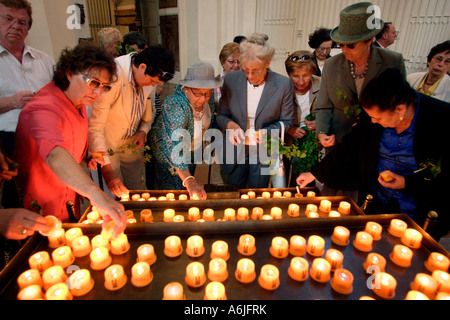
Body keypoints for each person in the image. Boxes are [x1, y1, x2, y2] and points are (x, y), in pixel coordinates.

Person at [297, 68, 450, 240]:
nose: (373, 121)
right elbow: (350, 146)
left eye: (378, 118)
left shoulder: (442, 118)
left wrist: (407, 182)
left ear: (399, 110)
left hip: (422, 210)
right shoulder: (374, 114)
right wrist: (314, 173)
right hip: (380, 202)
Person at [14, 44, 127, 234]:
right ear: (68, 72)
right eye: (93, 82)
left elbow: (69, 141)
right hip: (40, 207)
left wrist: (86, 157)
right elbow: (55, 154)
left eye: (104, 87)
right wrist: (95, 193)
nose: (98, 92)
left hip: (67, 197)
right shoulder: (44, 107)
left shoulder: (77, 101)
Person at [314, 2, 406, 197]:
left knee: (366, 194)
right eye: (341, 45)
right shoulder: (331, 65)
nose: (344, 50)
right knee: (332, 196)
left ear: (369, 40)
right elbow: (323, 106)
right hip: (339, 143)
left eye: (351, 45)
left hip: (375, 142)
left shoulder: (392, 61)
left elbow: (401, 105)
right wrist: (322, 132)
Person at [89, 46, 175, 198]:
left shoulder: (148, 78)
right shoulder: (112, 74)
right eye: (152, 80)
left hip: (131, 142)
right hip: (106, 144)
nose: (152, 85)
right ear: (142, 67)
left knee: (137, 187)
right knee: (113, 192)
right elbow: (95, 125)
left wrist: (143, 131)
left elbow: (150, 110)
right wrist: (107, 170)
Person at [216, 33, 294, 189]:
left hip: (263, 151)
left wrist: (267, 132)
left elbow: (287, 121)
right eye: (246, 70)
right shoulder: (231, 80)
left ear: (267, 63)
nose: (250, 76)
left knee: (257, 195)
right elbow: (221, 116)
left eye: (256, 71)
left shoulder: (283, 84)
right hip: (235, 150)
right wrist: (230, 124)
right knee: (233, 194)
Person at [149, 62, 223, 199]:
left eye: (207, 93)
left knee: (188, 187)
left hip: (192, 149)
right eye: (198, 93)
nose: (203, 99)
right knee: (175, 191)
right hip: (169, 153)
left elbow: (209, 120)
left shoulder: (208, 98)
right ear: (187, 87)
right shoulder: (175, 104)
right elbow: (173, 146)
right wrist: (188, 179)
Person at [0, 0, 54, 158]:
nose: (16, 26)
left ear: (28, 28)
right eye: (8, 19)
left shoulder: (45, 60)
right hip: (7, 142)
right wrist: (12, 102)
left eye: (22, 22)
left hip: (47, 138)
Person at [284, 51, 321, 186]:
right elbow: (273, 115)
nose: (301, 81)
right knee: (284, 178)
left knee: (306, 179)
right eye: (295, 76)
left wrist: (320, 122)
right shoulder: (283, 87)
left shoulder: (322, 85)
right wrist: (289, 129)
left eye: (306, 76)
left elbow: (331, 111)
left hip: (312, 143)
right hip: (287, 143)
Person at [216, 42, 241, 106]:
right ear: (223, 62)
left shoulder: (247, 82)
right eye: (231, 62)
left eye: (239, 62)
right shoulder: (215, 84)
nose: (236, 65)